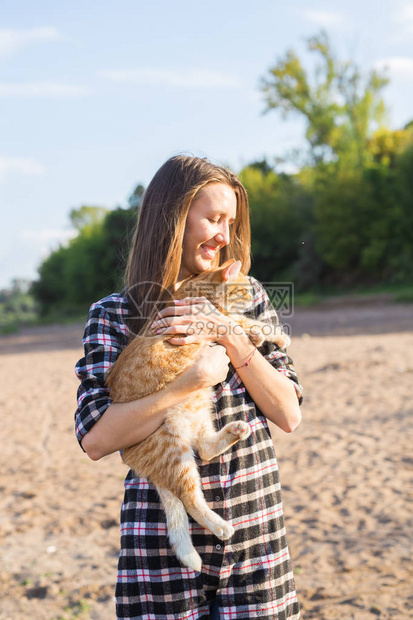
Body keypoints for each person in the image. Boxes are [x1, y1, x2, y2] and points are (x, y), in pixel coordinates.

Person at [75, 155, 303, 620]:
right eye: (213, 219)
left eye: (230, 222)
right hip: (159, 548)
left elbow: (288, 413)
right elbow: (96, 438)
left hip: (253, 536)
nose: (223, 234)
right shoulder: (114, 314)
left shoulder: (248, 293)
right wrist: (190, 381)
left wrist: (225, 330)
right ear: (172, 219)